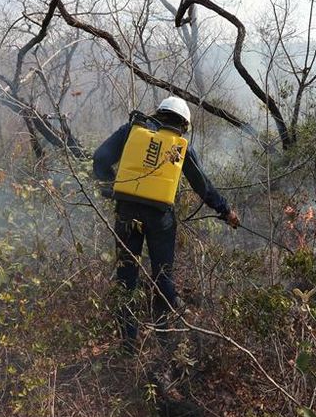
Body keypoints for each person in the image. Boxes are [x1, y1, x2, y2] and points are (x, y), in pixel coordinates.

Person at [93, 96, 240, 352]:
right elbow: (203, 186)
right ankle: (165, 339)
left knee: (126, 279)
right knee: (162, 276)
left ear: (158, 113)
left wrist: (113, 186)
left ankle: (129, 345)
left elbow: (99, 159)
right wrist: (225, 210)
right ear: (183, 124)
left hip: (127, 213)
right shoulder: (180, 146)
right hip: (160, 219)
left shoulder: (131, 130)